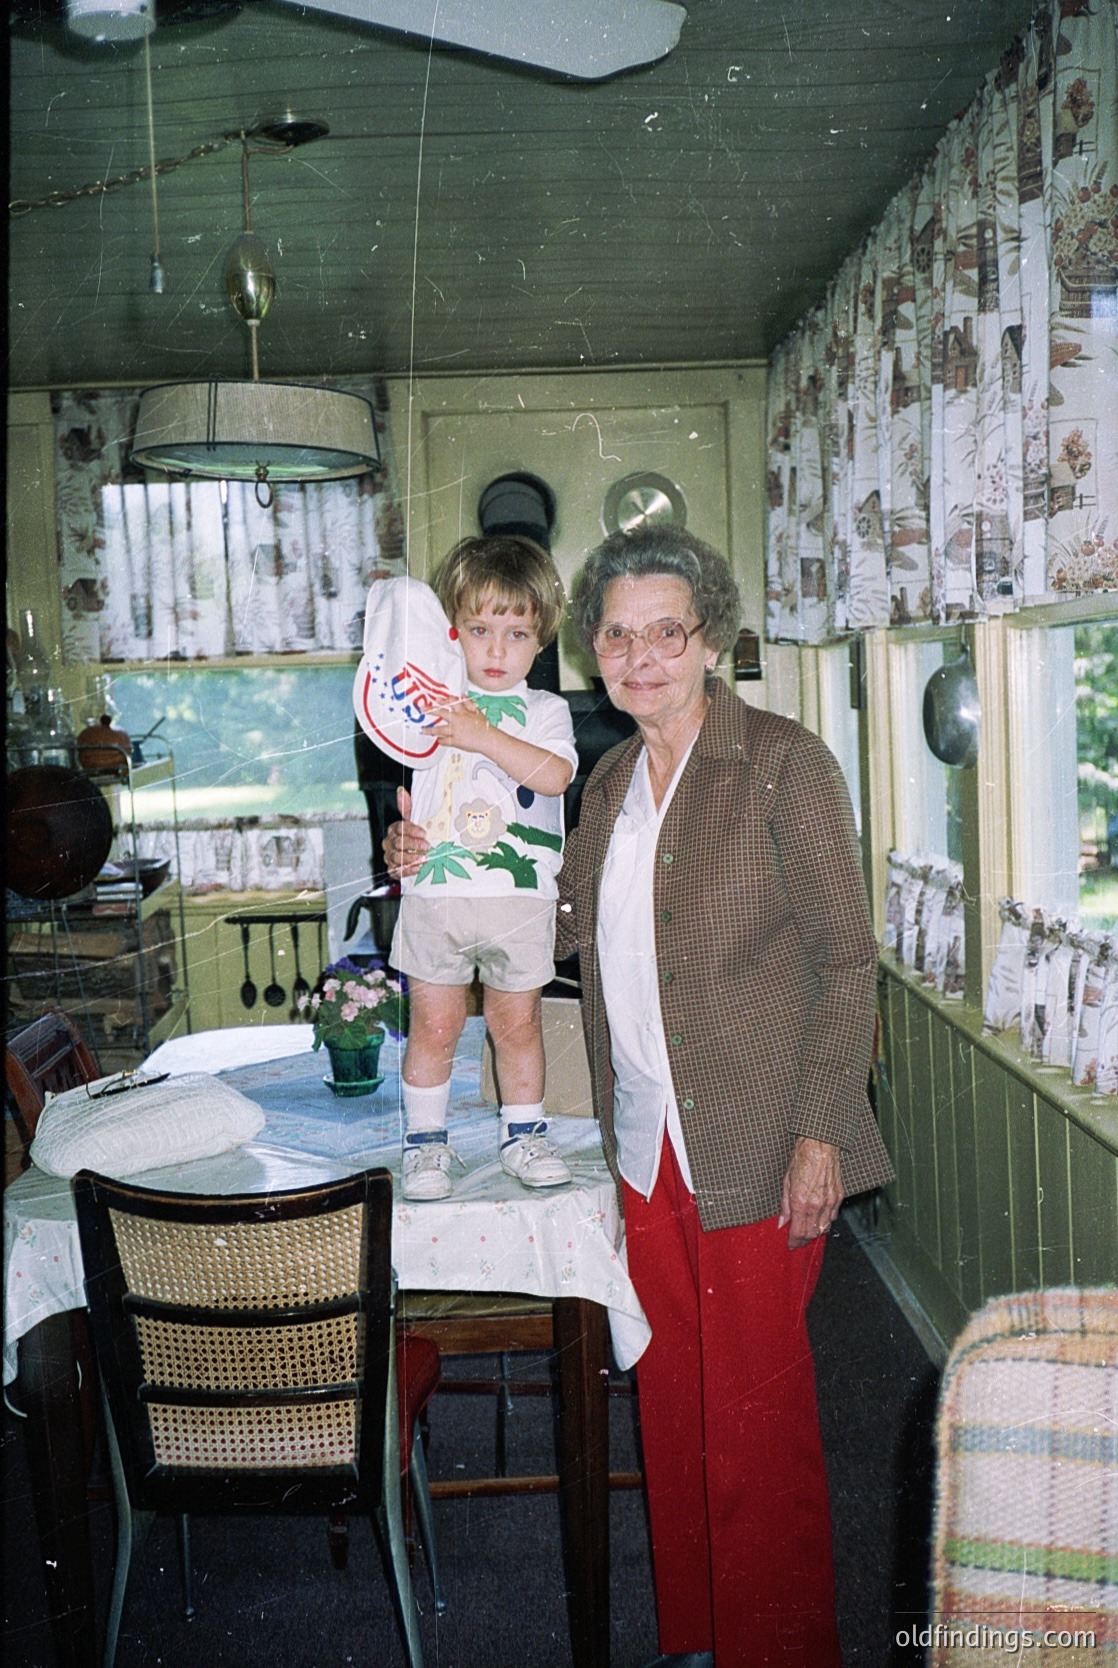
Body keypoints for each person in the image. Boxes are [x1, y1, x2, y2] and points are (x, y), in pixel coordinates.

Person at [388, 525, 894, 1666]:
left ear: (707, 638)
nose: (637, 655)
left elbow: (845, 960)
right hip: (640, 1141)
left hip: (758, 1138)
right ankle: (697, 1638)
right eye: (615, 634)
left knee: (752, 1426)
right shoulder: (607, 781)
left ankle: (776, 1649)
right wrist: (428, 857)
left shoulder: (780, 761)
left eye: (663, 631)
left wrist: (820, 1127)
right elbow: (554, 925)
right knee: (668, 1403)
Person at [389, 535, 579, 1203]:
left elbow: (553, 775)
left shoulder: (546, 712)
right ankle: (425, 1145)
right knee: (433, 1026)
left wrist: (479, 734)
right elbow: (409, 795)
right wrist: (400, 832)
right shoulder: (424, 708)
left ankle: (524, 1135)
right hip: (437, 895)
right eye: (479, 629)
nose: (497, 651)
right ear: (451, 631)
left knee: (516, 1024)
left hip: (517, 897)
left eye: (517, 632)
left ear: (540, 639)